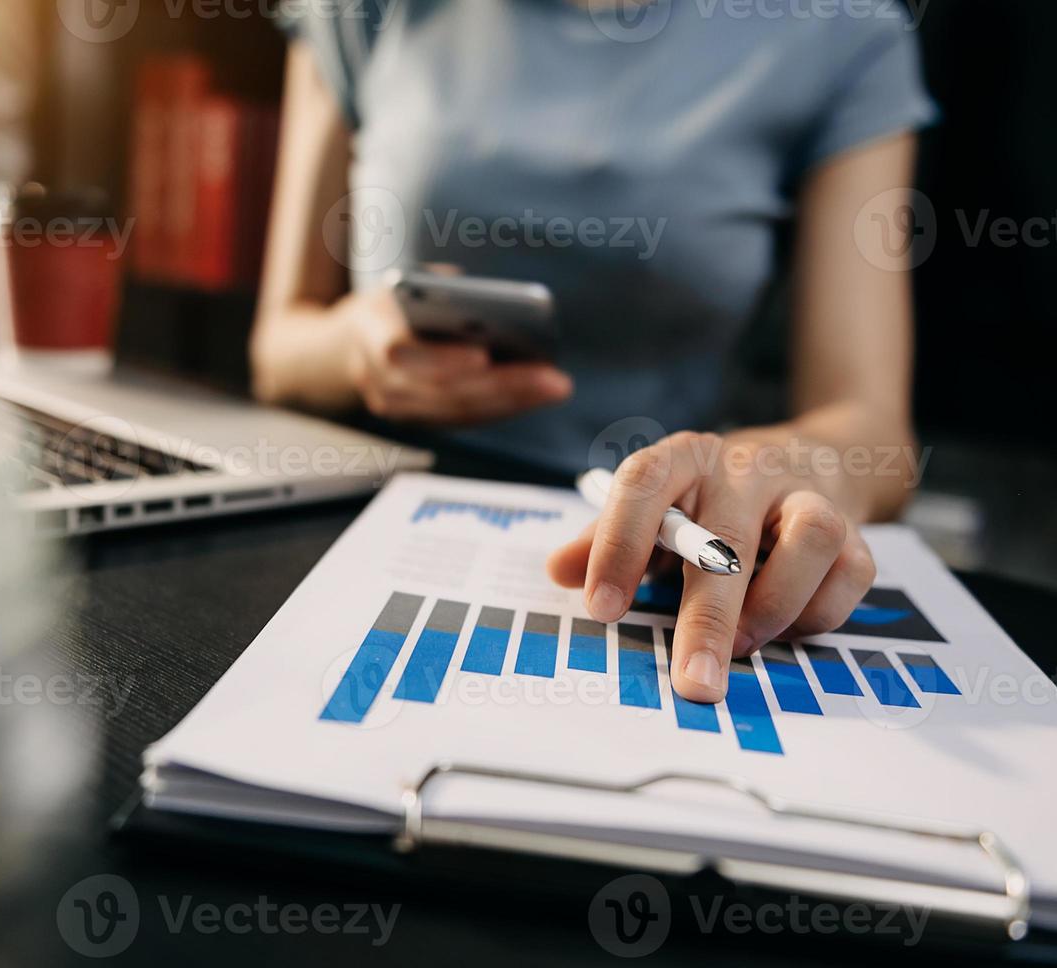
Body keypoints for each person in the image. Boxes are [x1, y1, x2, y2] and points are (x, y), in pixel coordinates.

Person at [250, 0, 937, 704]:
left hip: (662, 546)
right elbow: (277, 348)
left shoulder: (842, 28)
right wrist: (355, 350)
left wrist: (775, 465)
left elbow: (874, 429)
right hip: (359, 528)